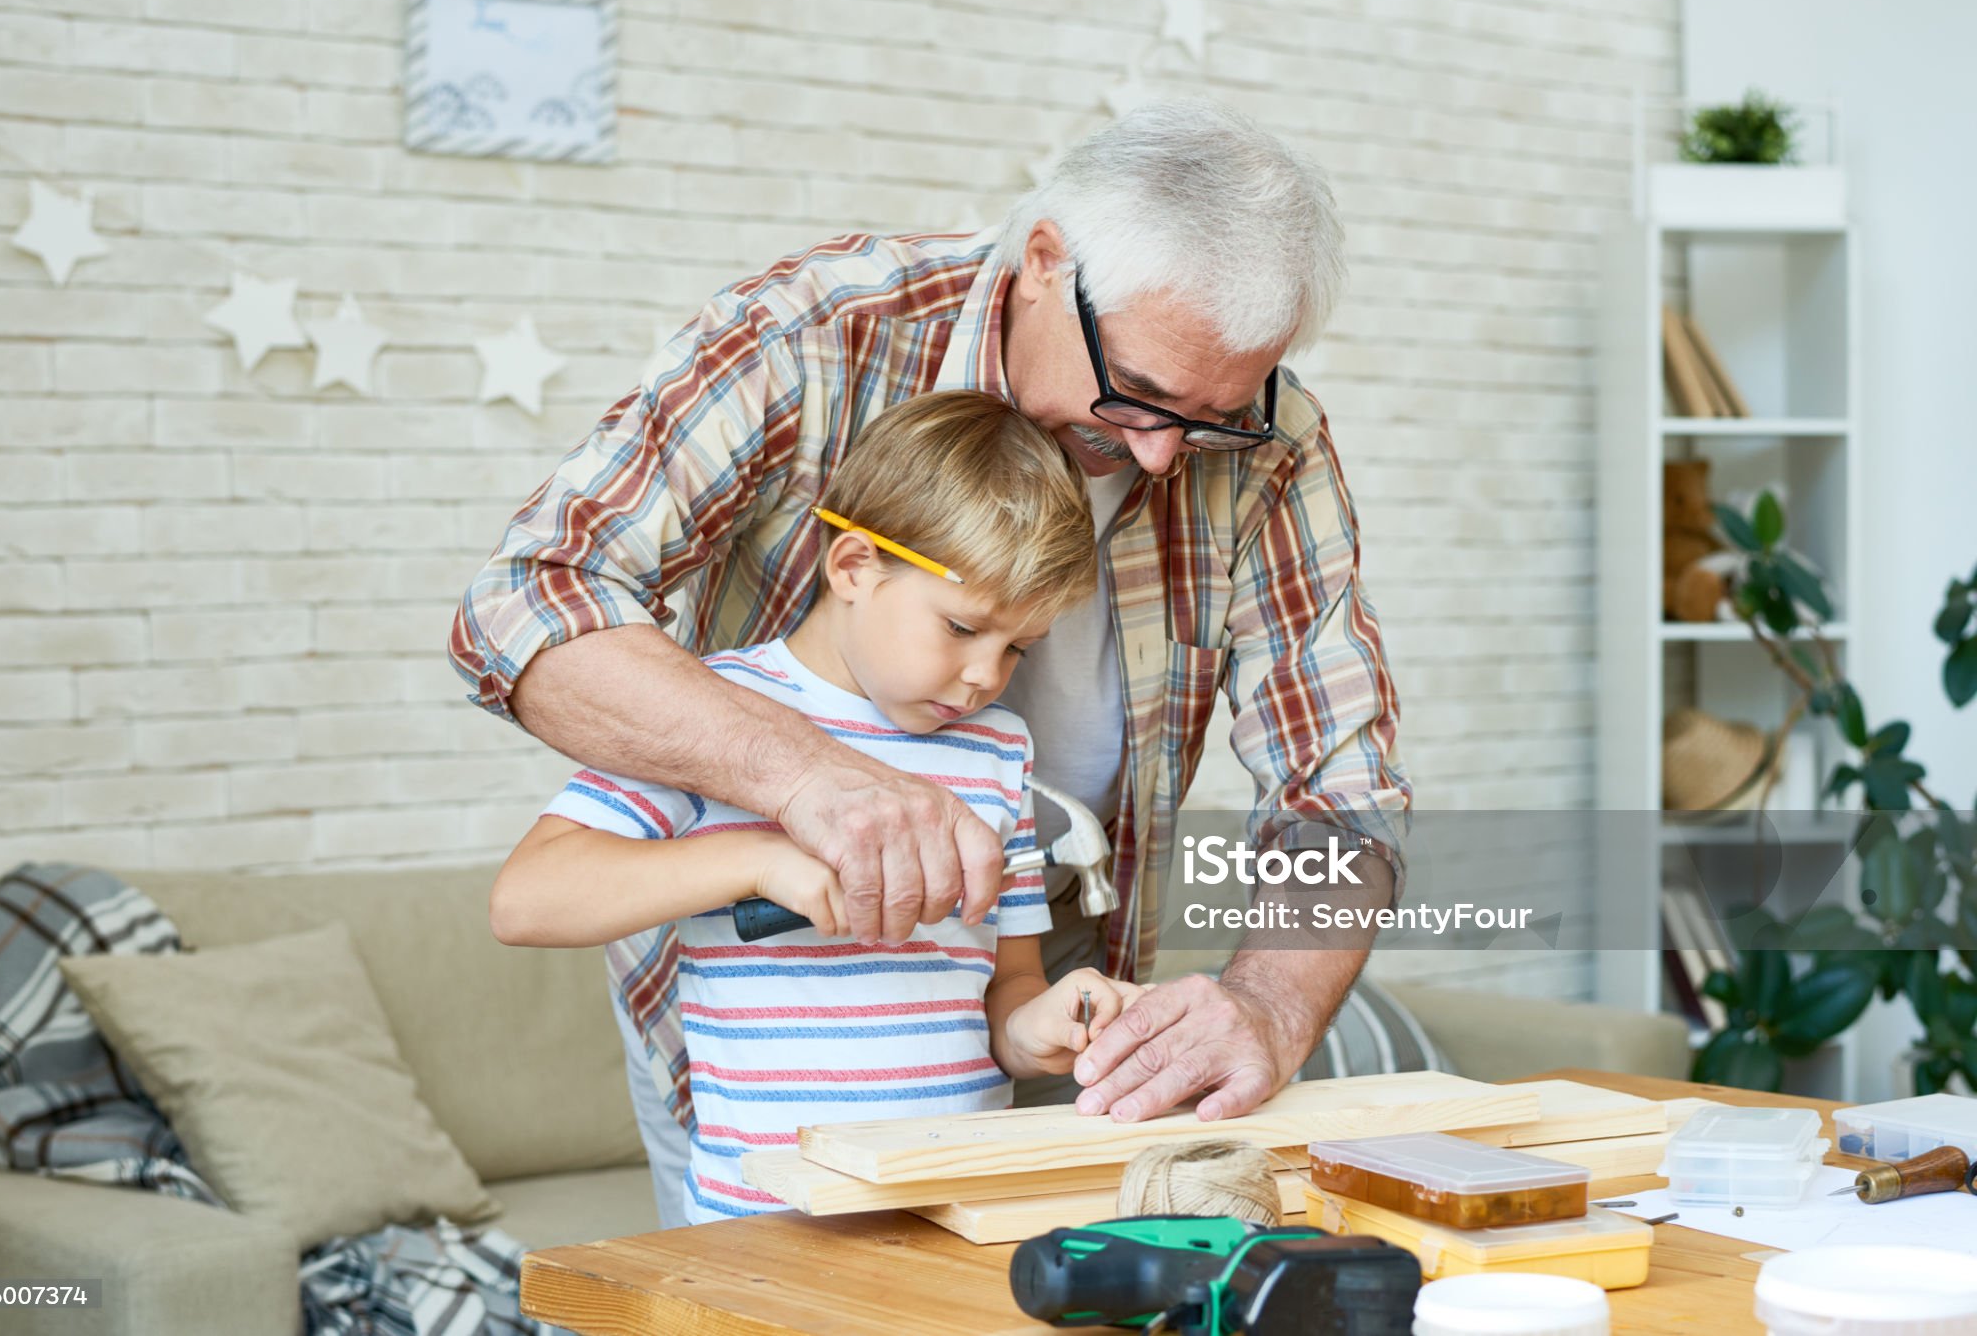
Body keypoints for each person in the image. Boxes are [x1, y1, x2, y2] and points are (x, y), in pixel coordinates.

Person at [451, 98, 1411, 1151]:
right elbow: (528, 597)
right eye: (1136, 394)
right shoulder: (816, 334)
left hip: (1038, 1015)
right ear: (1045, 261)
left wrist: (1267, 1007)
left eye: (1212, 420)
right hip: (751, 1042)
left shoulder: (1269, 440)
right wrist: (811, 781)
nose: (1160, 459)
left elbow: (1340, 791)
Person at [488, 390, 1140, 1225]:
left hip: (953, 1213)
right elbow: (525, 898)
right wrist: (756, 860)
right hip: (762, 1223)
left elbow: (1003, 987)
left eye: (1016, 646)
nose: (985, 675)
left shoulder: (996, 750)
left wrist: (1037, 1025)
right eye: (960, 627)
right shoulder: (715, 714)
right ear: (854, 567)